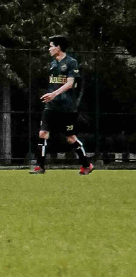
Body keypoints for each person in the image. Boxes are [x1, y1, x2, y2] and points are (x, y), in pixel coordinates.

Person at [31, 35, 93, 175]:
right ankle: (40, 167)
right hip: (51, 106)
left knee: (70, 138)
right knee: (43, 133)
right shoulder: (53, 64)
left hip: (67, 108)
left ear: (58, 47)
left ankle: (87, 165)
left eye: (51, 46)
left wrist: (53, 94)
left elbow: (70, 84)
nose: (49, 49)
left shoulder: (71, 62)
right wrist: (51, 96)